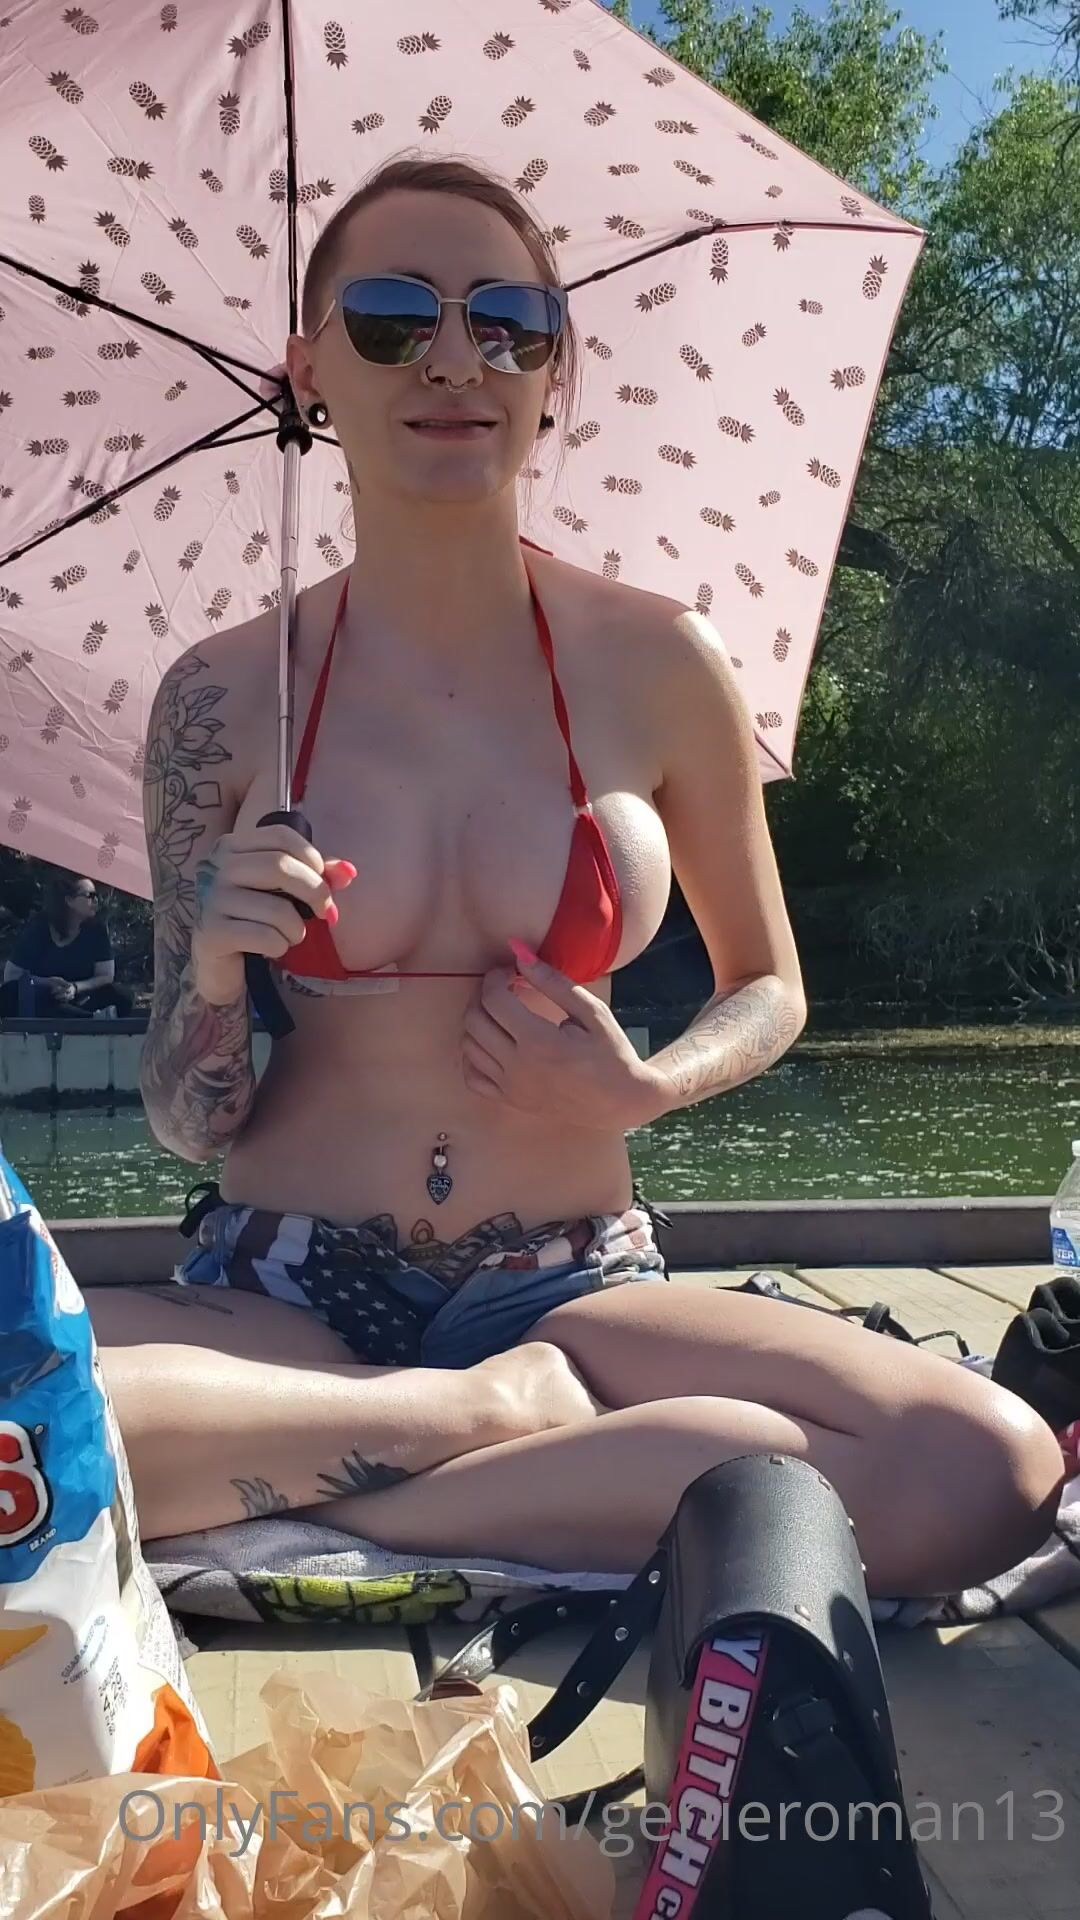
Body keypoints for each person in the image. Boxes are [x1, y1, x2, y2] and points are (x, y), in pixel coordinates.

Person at [88, 157, 1062, 1598]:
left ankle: (343, 1494)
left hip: (576, 1290)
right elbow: (188, 1118)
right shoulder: (223, 700)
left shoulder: (658, 661)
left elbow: (768, 984)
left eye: (509, 321)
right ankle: (495, 1435)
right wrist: (221, 972)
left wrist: (647, 1087)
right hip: (281, 1283)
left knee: (980, 1466)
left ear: (553, 370)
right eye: (392, 317)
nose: (456, 359)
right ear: (309, 373)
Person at [1, 871, 133, 1019]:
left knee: (123, 996)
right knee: (9, 994)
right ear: (69, 900)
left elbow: (105, 975)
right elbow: (11, 975)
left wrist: (75, 988)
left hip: (82, 997)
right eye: (90, 895)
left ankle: (85, 1016)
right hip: (44, 997)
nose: (96, 900)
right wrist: (47, 983)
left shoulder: (97, 930)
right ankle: (91, 1019)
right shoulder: (39, 927)